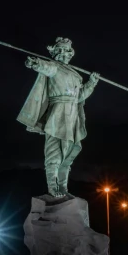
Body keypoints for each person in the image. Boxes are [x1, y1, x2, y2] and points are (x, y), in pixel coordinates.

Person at [17, 37, 100, 197]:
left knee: (67, 155)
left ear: (71, 54)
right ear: (54, 52)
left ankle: (63, 188)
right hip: (57, 113)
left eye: (66, 50)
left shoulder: (76, 76)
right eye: (59, 50)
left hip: (72, 116)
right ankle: (52, 188)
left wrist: (91, 83)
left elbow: (79, 96)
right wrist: (34, 63)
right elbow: (44, 67)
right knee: (54, 152)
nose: (63, 53)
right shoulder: (54, 67)